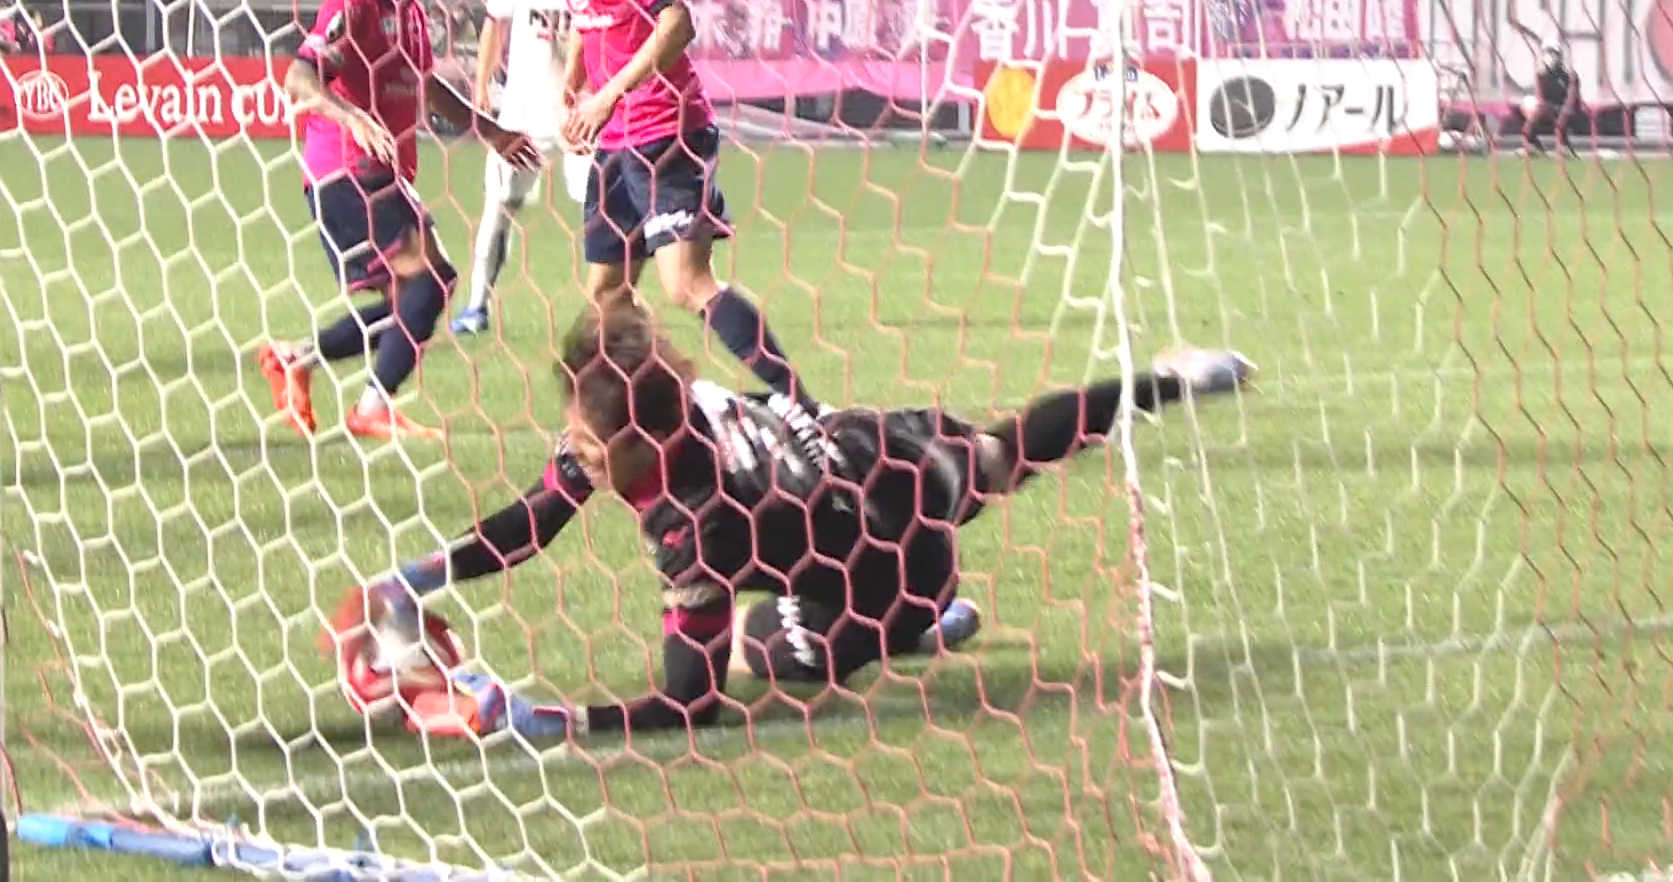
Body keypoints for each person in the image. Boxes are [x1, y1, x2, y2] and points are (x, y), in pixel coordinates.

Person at [328, 302, 1254, 737]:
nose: (574, 451)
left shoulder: (696, 524)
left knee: (750, 650)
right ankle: (1170, 379)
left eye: (588, 441)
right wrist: (418, 575)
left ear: (646, 443)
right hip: (876, 448)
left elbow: (691, 704)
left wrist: (542, 718)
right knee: (1007, 453)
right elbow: (538, 515)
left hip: (890, 574)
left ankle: (916, 626)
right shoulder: (667, 404)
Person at [537, 0, 824, 418]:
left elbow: (676, 24)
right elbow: (588, 16)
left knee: (685, 282)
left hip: (666, 127)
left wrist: (607, 95)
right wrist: (571, 85)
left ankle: (802, 404)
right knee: (606, 294)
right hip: (614, 138)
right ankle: (658, 411)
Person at [258, 0, 542, 442]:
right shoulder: (354, 1)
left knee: (415, 296)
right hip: (345, 170)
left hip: (382, 174)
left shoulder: (410, 13)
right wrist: (354, 118)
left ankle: (297, 359)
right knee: (430, 283)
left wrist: (491, 132)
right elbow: (298, 76)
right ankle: (370, 407)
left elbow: (427, 86)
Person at [451, 0, 595, 336]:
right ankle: (476, 305)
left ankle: (609, 309)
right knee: (499, 207)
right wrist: (481, 86)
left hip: (577, 113)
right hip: (522, 115)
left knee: (600, 208)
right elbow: (494, 25)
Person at [1522, 47, 1584, 158]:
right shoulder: (1542, 76)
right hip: (1548, 109)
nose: (1551, 57)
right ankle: (1533, 146)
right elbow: (1540, 98)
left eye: (1553, 53)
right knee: (1532, 114)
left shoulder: (1569, 76)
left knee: (1561, 117)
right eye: (1548, 53)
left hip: (1566, 111)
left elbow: (1571, 100)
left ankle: (1563, 147)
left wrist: (1563, 115)